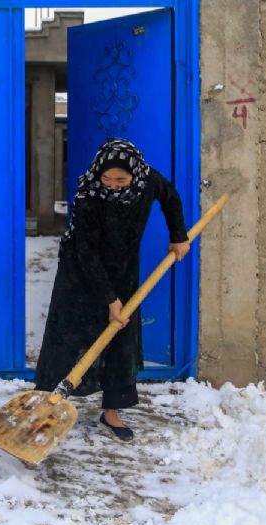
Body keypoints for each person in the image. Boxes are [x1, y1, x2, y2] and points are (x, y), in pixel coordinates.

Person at [33, 138, 190, 442]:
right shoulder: (88, 196)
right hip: (79, 272)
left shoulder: (148, 181)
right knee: (67, 335)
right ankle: (46, 406)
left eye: (121, 180)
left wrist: (178, 235)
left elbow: (170, 198)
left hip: (124, 270)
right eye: (107, 179)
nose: (113, 186)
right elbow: (86, 253)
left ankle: (112, 412)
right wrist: (109, 298)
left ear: (135, 175)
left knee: (121, 340)